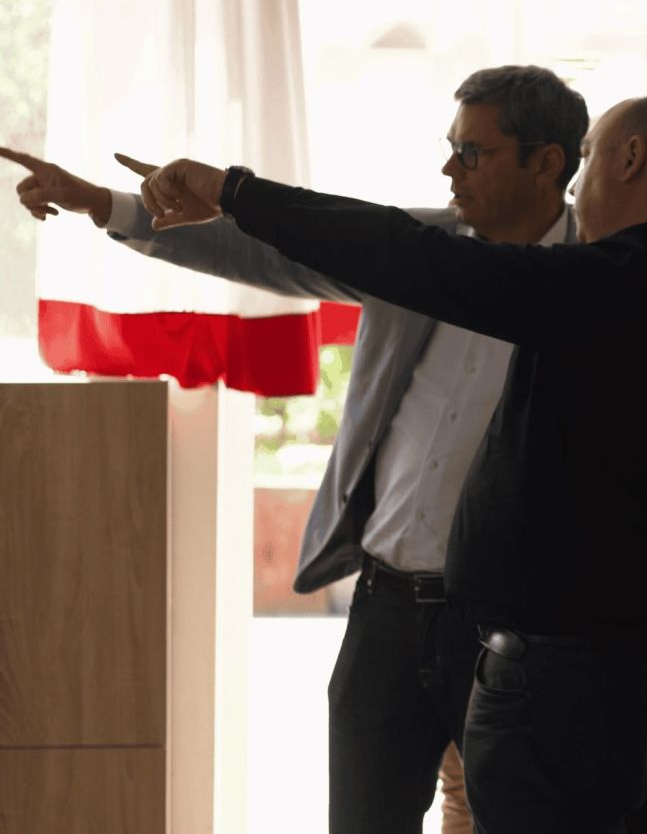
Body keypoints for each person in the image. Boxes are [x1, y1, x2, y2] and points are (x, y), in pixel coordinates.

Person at [113, 93, 647, 833]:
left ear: (631, 158)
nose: (578, 182)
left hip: (564, 682)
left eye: (589, 156)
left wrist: (236, 191)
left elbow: (411, 256)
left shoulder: (618, 282)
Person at [2, 63, 589, 834]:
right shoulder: (416, 250)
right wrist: (104, 204)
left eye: (472, 153)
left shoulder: (597, 282)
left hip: (512, 627)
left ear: (547, 162)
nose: (450, 169)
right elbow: (269, 252)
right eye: (450, 148)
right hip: (386, 612)